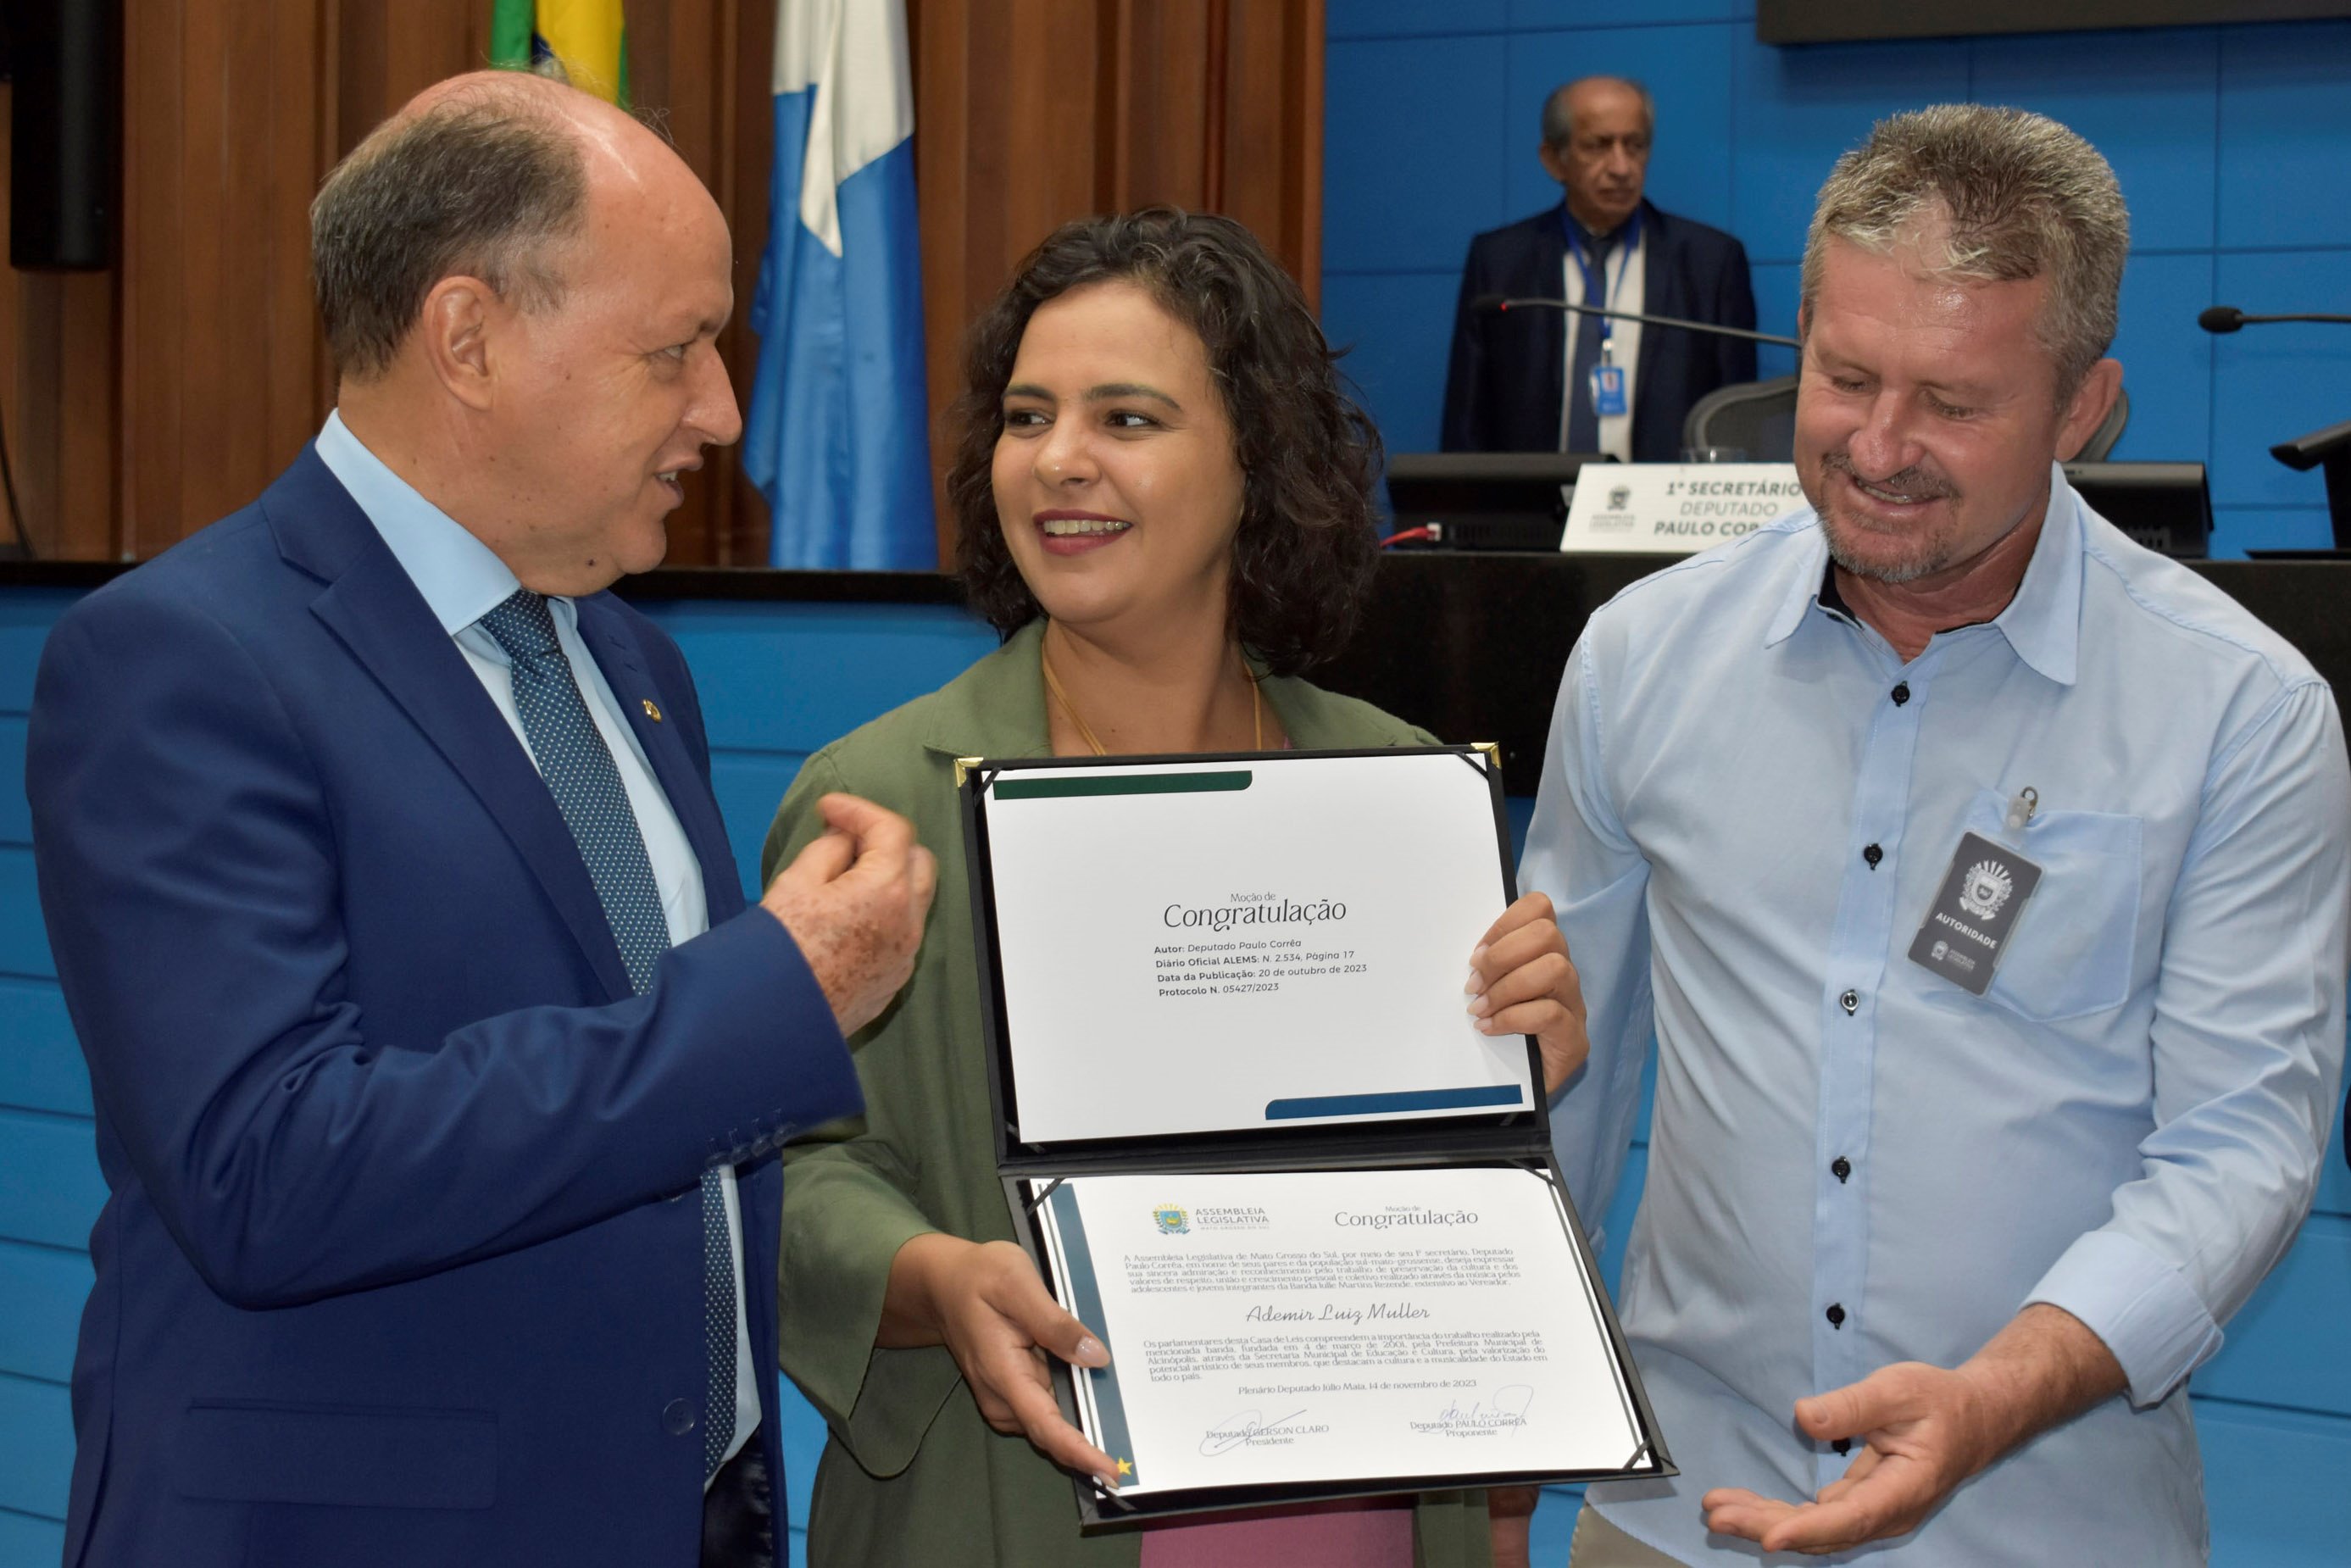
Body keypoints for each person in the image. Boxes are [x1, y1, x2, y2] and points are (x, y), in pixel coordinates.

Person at [25, 72, 935, 1568]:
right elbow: (269, 1169)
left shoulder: (629, 660)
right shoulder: (181, 661)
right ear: (468, 338)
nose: (721, 410)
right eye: (676, 349)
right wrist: (780, 993)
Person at [1523, 104, 2350, 1566]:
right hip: (1677, 1513)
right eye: (1844, 377)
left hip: (2044, 1519)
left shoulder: (2237, 713)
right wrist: (1495, 1393)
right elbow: (1561, 1076)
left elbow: (2237, 1147)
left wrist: (1990, 1396)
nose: (1878, 445)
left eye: (1953, 403)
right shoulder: (1643, 657)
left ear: (2081, 408)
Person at [764, 208, 1588, 1568]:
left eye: (1127, 418)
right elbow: (785, 1170)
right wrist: (932, 1277)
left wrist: (1517, 1061)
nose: (1058, 459)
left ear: (1257, 462)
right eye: (1027, 417)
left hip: (1360, 1519)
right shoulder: (882, 801)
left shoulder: (1394, 789)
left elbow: (1449, 1206)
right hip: (1015, 1510)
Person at [1440, 76, 1756, 462]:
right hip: (1533, 496)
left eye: (1635, 145)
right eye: (1598, 146)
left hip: (1664, 495)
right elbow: (1466, 423)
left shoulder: (1711, 263)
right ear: (1554, 159)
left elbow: (1734, 420)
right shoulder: (1500, 262)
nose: (1621, 167)